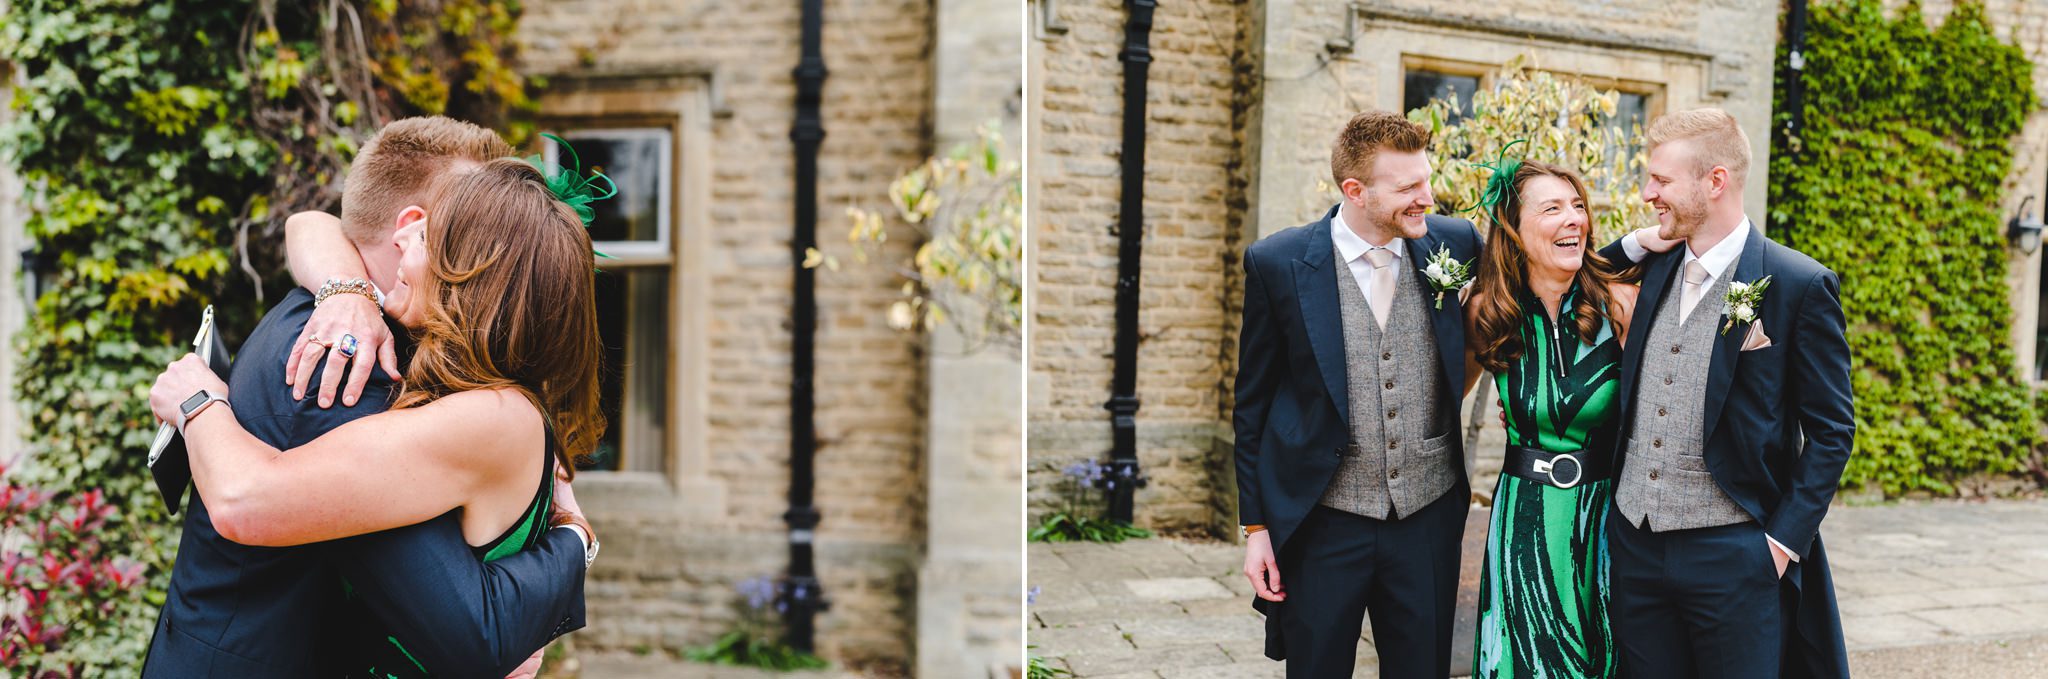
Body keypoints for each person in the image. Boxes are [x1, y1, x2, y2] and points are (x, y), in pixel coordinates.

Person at [146, 128, 605, 677]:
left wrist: (196, 400)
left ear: (475, 273)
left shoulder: (433, 392)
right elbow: (310, 223)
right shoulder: (348, 348)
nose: (407, 238)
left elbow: (477, 633)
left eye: (432, 232)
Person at [1596, 108, 1853, 679]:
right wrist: (1642, 240)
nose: (1646, 193)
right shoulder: (1656, 264)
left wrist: (1781, 545)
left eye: (1661, 180)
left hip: (1735, 554)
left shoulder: (1797, 283)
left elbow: (1833, 432)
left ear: (1715, 181)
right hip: (1635, 542)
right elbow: (1579, 272)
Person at [1232, 110, 1481, 679]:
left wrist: (1635, 247)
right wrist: (1257, 530)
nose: (1429, 196)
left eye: (1427, 178)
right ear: (1355, 191)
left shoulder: (1455, 241)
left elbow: (1541, 270)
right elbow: (1252, 405)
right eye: (1409, 187)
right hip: (1323, 519)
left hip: (1427, 515)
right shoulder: (1278, 263)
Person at [1464, 159, 1674, 678]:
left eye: (1578, 206)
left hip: (1603, 518)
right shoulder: (1488, 313)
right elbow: (1442, 400)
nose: (1574, 219)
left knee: (1599, 654)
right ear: (1514, 230)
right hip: (1522, 519)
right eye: (1553, 208)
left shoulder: (1621, 305)